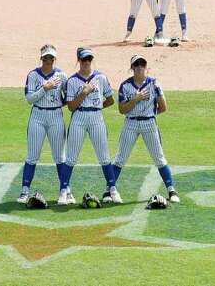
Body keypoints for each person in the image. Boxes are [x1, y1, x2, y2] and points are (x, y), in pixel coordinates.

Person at [111, 54, 179, 204]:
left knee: (159, 158)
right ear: (132, 68)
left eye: (142, 64)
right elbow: (122, 110)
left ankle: (171, 190)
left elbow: (163, 107)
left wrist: (149, 115)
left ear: (146, 67)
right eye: (137, 64)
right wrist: (135, 99)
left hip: (149, 124)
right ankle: (109, 189)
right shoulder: (125, 86)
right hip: (131, 123)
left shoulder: (154, 84)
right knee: (120, 158)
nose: (140, 67)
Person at [62, 46, 119, 204]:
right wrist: (84, 93)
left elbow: (110, 100)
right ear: (78, 60)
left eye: (89, 59)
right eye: (84, 59)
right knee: (71, 157)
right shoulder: (72, 80)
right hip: (79, 117)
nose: (87, 62)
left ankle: (113, 189)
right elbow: (71, 106)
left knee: (104, 156)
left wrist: (97, 106)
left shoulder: (101, 77)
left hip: (96, 118)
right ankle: (64, 191)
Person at [17, 44, 70, 205]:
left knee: (60, 156)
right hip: (37, 116)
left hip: (55, 116)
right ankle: (25, 190)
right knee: (32, 155)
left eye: (51, 58)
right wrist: (44, 89)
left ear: (55, 59)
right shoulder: (33, 75)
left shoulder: (62, 75)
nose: (48, 61)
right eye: (45, 58)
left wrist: (58, 103)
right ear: (41, 58)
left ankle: (65, 190)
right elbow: (29, 99)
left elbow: (68, 97)